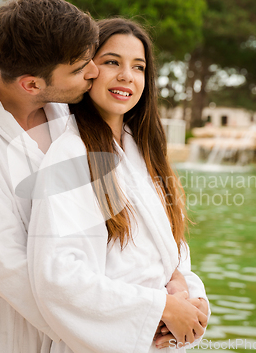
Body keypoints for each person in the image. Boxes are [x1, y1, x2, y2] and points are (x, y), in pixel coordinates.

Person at [0, 1, 207, 352]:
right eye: (80, 68)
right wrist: (142, 319)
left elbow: (137, 215)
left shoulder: (66, 104)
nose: (92, 73)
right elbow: (5, 262)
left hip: (99, 308)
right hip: (13, 326)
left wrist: (176, 282)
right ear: (31, 84)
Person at [27, 18, 210, 353]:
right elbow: (59, 277)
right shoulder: (70, 155)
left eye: (138, 67)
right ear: (88, 70)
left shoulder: (144, 150)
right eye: (112, 62)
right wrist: (162, 308)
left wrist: (190, 298)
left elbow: (171, 249)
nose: (127, 75)